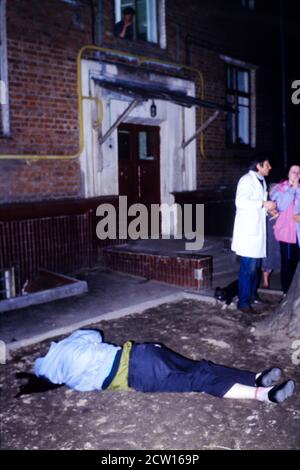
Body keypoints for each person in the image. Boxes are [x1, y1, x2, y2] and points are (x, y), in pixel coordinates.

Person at [16, 329, 295, 405]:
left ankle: (263, 391)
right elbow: (95, 334)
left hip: (141, 376)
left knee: (200, 379)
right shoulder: (70, 344)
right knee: (202, 368)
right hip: (144, 351)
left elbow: (95, 382)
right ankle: (257, 379)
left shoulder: (72, 381)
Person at [231, 160, 276, 313]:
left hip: (257, 231)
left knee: (255, 267)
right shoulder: (246, 180)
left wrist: (270, 210)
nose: (270, 167)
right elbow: (241, 202)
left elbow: (258, 206)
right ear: (258, 166)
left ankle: (252, 296)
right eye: (267, 165)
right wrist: (264, 203)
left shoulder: (261, 181)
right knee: (247, 269)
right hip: (248, 233)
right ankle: (243, 303)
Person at [271, 165, 300, 294]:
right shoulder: (280, 188)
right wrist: (292, 189)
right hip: (287, 233)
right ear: (288, 173)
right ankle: (286, 292)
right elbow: (282, 206)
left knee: (296, 264)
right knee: (287, 264)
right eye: (294, 171)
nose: (296, 174)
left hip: (298, 233)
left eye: (299, 172)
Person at [261, 184, 281, 289]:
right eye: (273, 190)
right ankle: (265, 281)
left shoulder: (282, 203)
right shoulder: (266, 203)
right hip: (269, 233)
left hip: (280, 234)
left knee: (278, 255)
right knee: (268, 256)